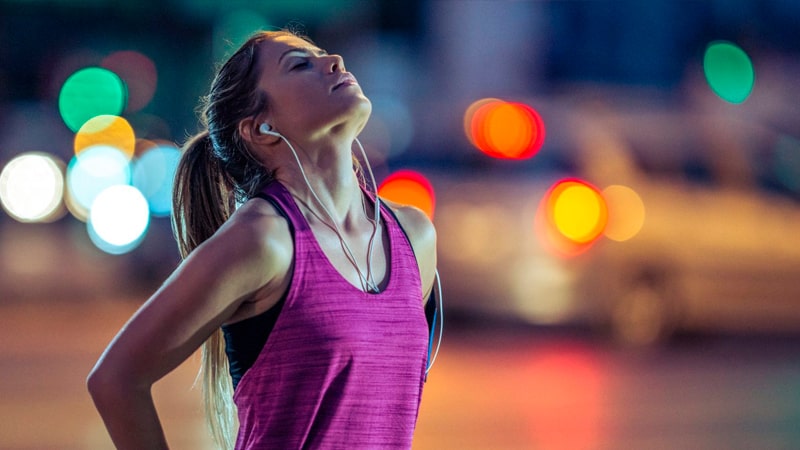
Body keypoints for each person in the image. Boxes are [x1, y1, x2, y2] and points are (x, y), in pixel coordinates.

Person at [87, 29, 438, 450]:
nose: (335, 62)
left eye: (323, 54)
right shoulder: (264, 239)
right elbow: (116, 379)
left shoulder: (413, 237)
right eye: (300, 64)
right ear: (261, 128)